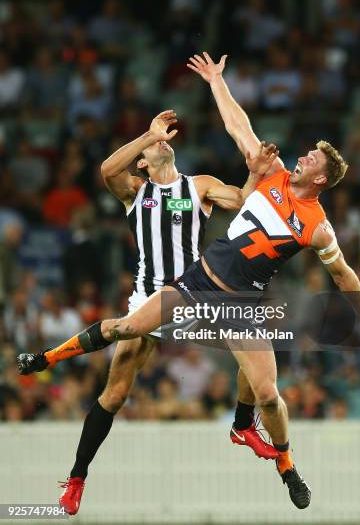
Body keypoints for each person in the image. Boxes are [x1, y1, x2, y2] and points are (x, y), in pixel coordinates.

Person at [18, 56, 360, 510]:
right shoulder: (140, 191)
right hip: (191, 284)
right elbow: (238, 126)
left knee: (269, 396)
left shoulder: (308, 222)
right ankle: (48, 364)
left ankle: (284, 463)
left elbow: (341, 271)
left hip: (235, 302)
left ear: (320, 178)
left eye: (310, 158)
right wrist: (218, 81)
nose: (300, 157)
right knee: (120, 351)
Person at [38, 109, 278, 515]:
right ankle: (77, 479)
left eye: (163, 140)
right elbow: (106, 169)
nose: (161, 143)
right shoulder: (135, 189)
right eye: (151, 148)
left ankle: (243, 424)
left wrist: (254, 173)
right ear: (143, 162)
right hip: (150, 301)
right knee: (114, 394)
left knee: (255, 346)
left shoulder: (199, 186)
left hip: (197, 294)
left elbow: (240, 202)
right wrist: (147, 135)